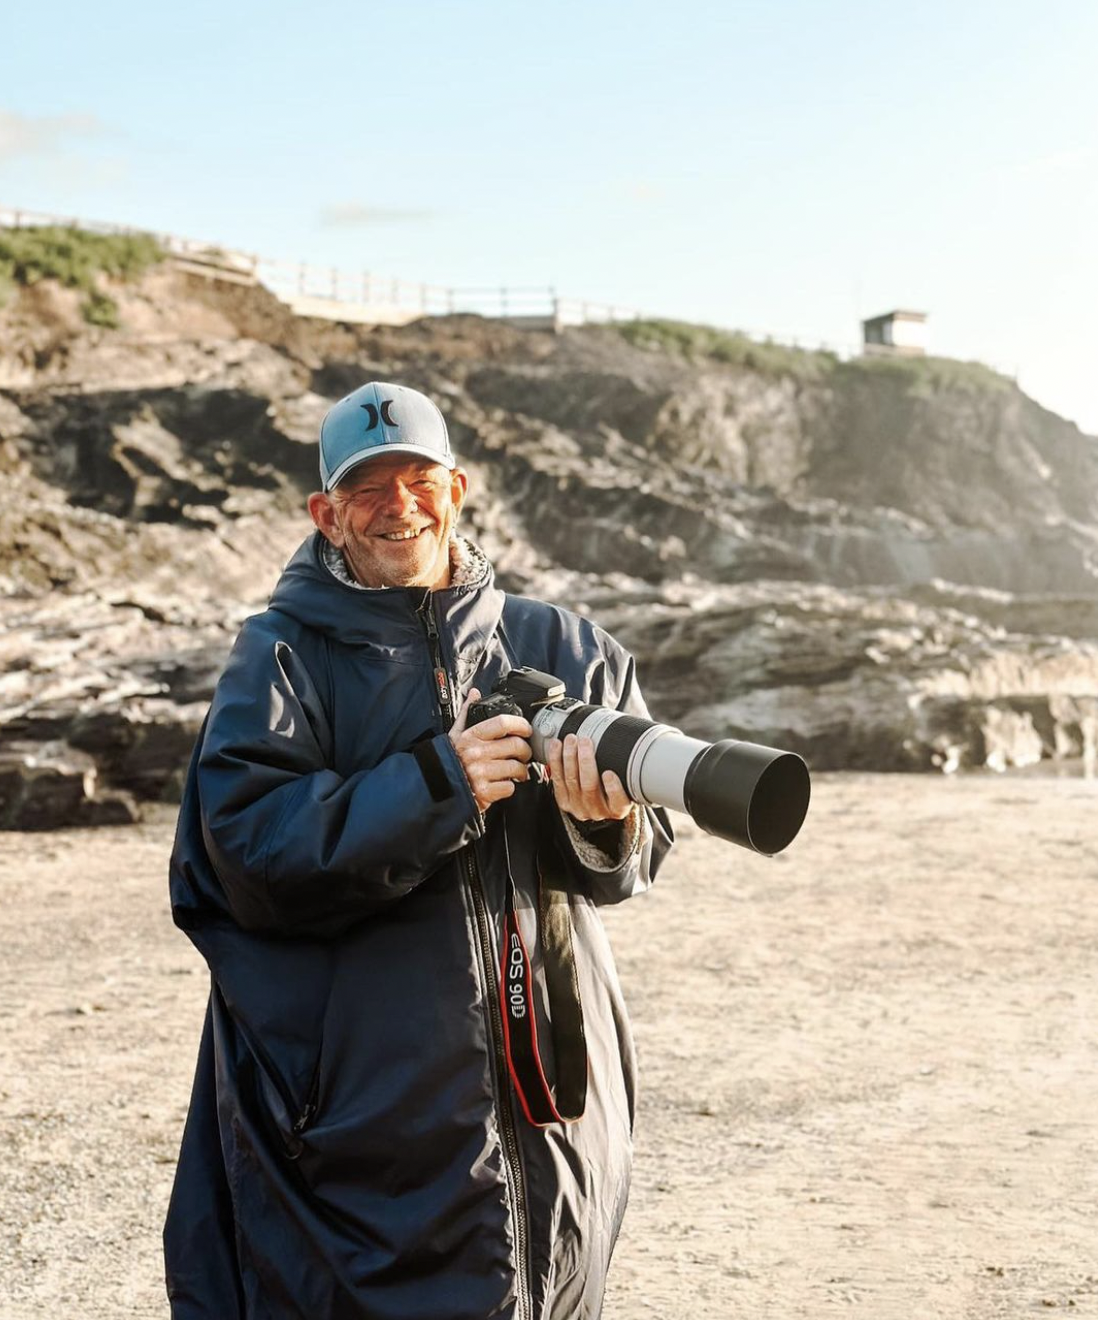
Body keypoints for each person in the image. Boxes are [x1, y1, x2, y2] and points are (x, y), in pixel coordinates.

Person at [164, 380, 674, 1320]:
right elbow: (245, 854)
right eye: (366, 487)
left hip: (553, 1096)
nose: (397, 504)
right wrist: (440, 785)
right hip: (361, 1115)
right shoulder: (276, 659)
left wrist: (607, 824)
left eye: (418, 480)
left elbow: (638, 856)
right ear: (326, 514)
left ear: (458, 489)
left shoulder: (566, 644)